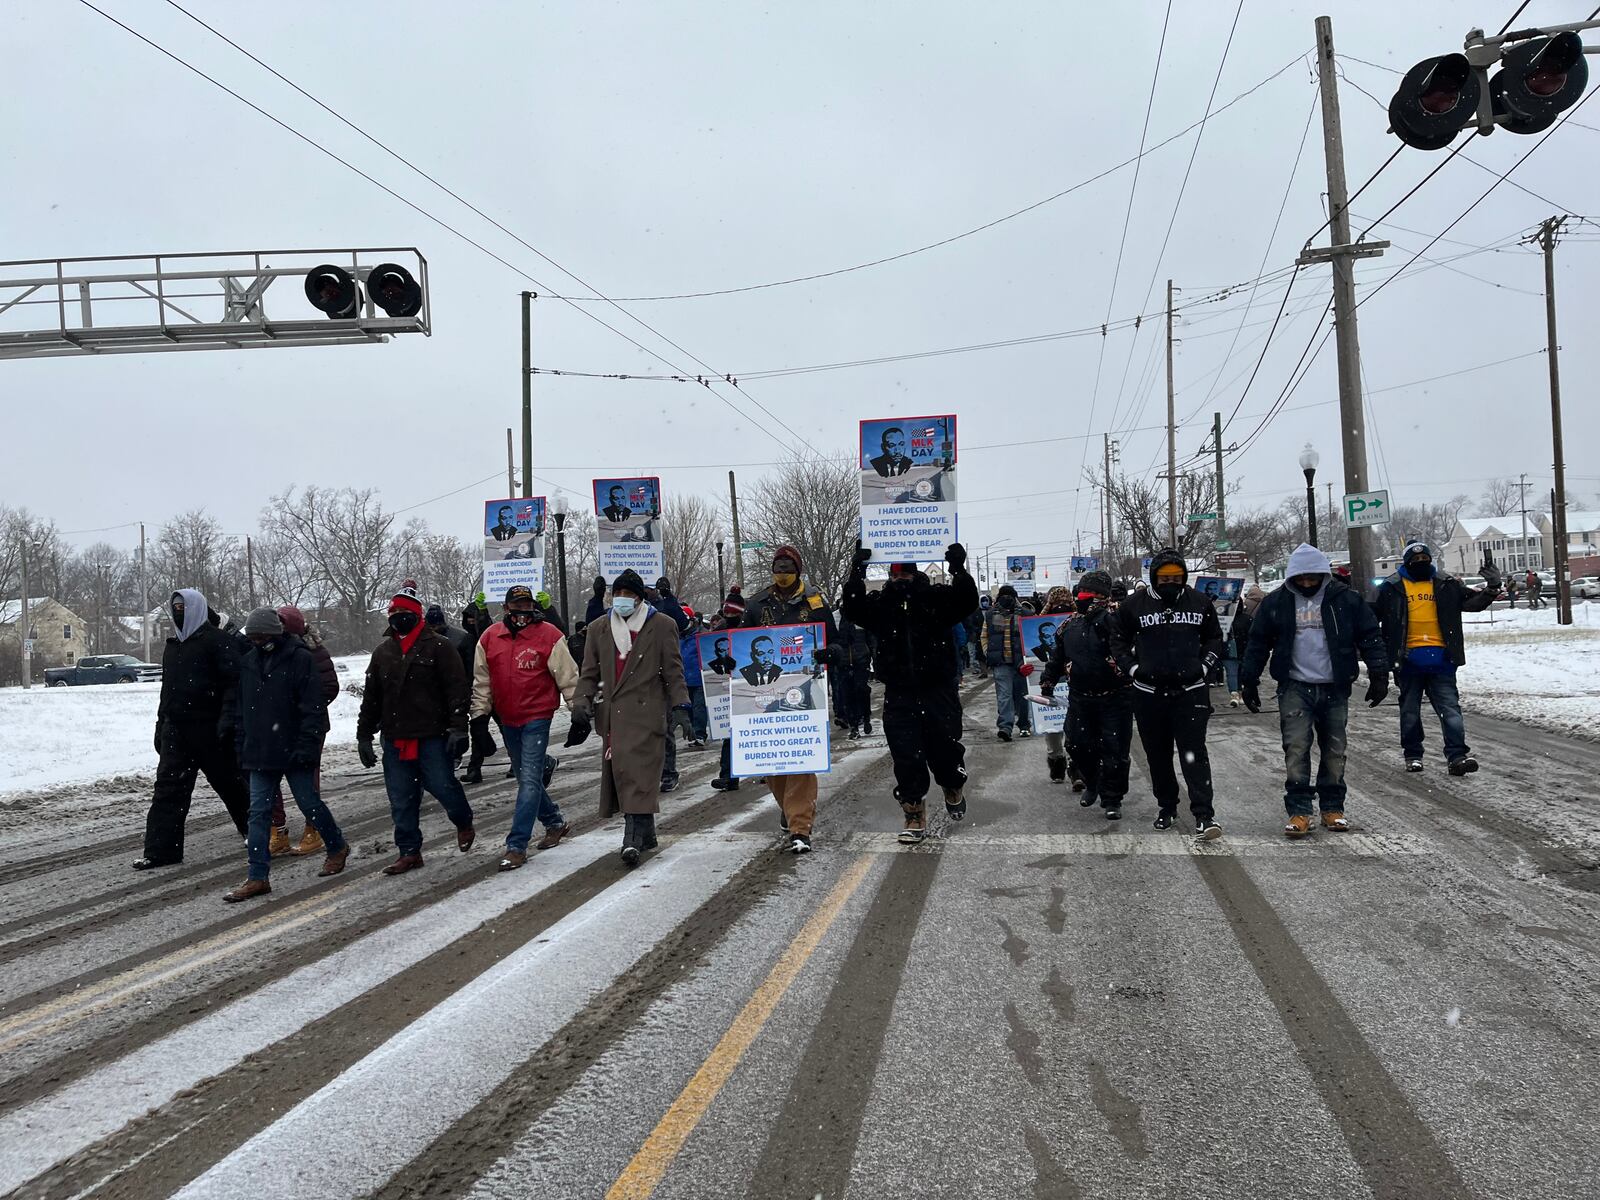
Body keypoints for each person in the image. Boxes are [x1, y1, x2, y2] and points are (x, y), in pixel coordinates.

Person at [1238, 544, 1389, 838]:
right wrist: (1249, 681)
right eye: (1301, 578)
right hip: (1295, 686)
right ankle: (1299, 810)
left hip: (1334, 685)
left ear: (1323, 575)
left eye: (1313, 578)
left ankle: (1333, 806)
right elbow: (1257, 643)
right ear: (1293, 577)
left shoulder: (1345, 600)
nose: (1307, 584)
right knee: (1296, 749)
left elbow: (1370, 635)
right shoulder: (1277, 603)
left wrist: (1379, 674)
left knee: (1335, 750)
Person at [842, 544, 977, 842]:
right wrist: (856, 572)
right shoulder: (882, 603)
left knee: (944, 747)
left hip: (937, 687)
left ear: (915, 573)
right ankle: (913, 811)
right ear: (890, 575)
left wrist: (958, 569)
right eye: (896, 573)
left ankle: (953, 785)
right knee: (906, 753)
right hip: (899, 690)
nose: (901, 578)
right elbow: (852, 608)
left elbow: (967, 602)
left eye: (906, 572)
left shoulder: (936, 598)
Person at [224, 608, 349, 901]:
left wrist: (306, 747)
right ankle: (257, 876)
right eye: (251, 637)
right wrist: (242, 742)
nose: (255, 642)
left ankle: (336, 846)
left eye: (259, 637)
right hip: (259, 751)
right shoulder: (249, 663)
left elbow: (312, 709)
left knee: (309, 803)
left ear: (273, 634)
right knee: (258, 814)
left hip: (294, 749)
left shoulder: (300, 658)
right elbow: (242, 710)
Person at [572, 570, 692, 866]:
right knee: (626, 774)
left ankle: (631, 838)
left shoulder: (661, 625)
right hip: (615, 715)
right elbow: (589, 673)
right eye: (618, 594)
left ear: (640, 597)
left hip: (649, 711)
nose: (622, 600)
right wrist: (580, 703)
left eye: (629, 594)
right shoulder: (599, 628)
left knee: (639, 772)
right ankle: (646, 833)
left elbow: (674, 670)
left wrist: (681, 705)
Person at [356, 583, 476, 873]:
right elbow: (371, 698)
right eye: (393, 612)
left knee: (443, 786)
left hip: (432, 735)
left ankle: (463, 820)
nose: (397, 616)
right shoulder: (383, 652)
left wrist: (459, 729)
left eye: (402, 612)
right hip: (395, 737)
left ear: (416, 615)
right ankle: (409, 851)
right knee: (401, 797)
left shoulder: (439, 647)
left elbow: (456, 690)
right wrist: (363, 735)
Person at [134, 588, 252, 871]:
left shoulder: (219, 642)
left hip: (211, 730)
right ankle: (162, 850)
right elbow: (168, 691)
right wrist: (161, 725)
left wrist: (228, 721)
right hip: (177, 731)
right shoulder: (173, 646)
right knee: (168, 790)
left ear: (197, 608)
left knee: (231, 784)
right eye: (174, 608)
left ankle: (258, 832)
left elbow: (233, 685)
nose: (179, 613)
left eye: (183, 607)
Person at [1112, 548, 1226, 840]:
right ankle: (1167, 806)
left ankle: (1204, 815)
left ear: (1185, 577)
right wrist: (1133, 669)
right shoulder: (1133, 605)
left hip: (1190, 692)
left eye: (1176, 577)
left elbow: (1215, 637)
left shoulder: (1200, 603)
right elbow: (1118, 641)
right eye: (1164, 578)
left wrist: (1204, 667)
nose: (1170, 583)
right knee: (1158, 755)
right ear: (1154, 578)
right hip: (1149, 693)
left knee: (1193, 753)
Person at [736, 545, 840, 852]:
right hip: (765, 693)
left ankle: (800, 827)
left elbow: (835, 642)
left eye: (788, 569)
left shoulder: (815, 601)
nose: (782, 575)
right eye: (777, 569)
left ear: (798, 570)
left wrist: (827, 653)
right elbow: (739, 643)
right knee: (773, 761)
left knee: (801, 759)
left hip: (805, 690)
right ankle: (789, 808)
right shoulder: (756, 605)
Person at [471, 585, 581, 870]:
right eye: (517, 607)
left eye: (527, 607)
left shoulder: (549, 636)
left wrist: (578, 711)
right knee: (525, 777)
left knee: (529, 780)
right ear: (506, 609)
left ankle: (516, 844)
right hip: (507, 718)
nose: (522, 613)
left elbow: (568, 677)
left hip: (537, 716)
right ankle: (555, 822)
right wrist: (479, 717)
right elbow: (482, 681)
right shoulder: (489, 638)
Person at [1373, 542, 1500, 775]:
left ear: (1431, 561)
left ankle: (1457, 756)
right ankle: (1413, 755)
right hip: (1407, 660)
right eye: (1415, 561)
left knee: (1450, 709)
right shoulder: (1391, 587)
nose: (1421, 564)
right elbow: (1372, 616)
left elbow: (1472, 604)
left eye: (1425, 560)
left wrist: (1492, 587)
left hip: (1443, 659)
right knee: (1410, 710)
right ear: (1406, 564)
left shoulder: (1446, 584)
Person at [1041, 571, 1132, 818]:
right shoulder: (1069, 625)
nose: (1087, 599)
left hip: (1115, 696)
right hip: (1080, 698)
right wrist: (1048, 679)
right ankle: (1093, 783)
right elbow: (1057, 657)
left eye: (1095, 595)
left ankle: (1113, 798)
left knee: (1115, 750)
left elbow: (1128, 651)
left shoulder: (1117, 621)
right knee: (1077, 744)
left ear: (1105, 597)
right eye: (1083, 594)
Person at [266, 604, 341, 857]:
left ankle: (314, 828)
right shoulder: (271, 651)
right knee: (271, 778)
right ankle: (278, 829)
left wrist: (304, 708)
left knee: (307, 781)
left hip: (309, 727)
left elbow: (330, 686)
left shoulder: (314, 651)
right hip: (276, 728)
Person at [1036, 586, 1078, 786]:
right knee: (1052, 727)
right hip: (1050, 681)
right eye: (1056, 604)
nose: (1061, 607)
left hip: (1074, 682)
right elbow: (1029, 658)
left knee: (1076, 727)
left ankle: (1076, 766)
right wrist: (1026, 668)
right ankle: (1056, 761)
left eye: (1065, 604)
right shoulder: (1035, 640)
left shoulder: (1079, 624)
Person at [980, 584, 1033, 741]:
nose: (1007, 599)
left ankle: (1024, 725)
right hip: (1001, 663)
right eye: (1004, 596)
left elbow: (1031, 638)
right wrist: (989, 653)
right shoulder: (990, 615)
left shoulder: (1025, 614)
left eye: (1009, 596)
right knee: (1004, 696)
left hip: (1021, 663)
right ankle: (1005, 727)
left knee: (1023, 695)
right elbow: (984, 636)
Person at [710, 588, 747, 791]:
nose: (730, 616)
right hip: (728, 688)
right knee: (730, 733)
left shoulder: (750, 626)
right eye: (728, 613)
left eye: (734, 613)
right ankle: (728, 776)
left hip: (750, 685)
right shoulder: (719, 632)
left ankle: (767, 771)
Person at [833, 610, 875, 738]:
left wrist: (873, 656)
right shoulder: (835, 617)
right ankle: (854, 726)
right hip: (843, 664)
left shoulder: (862, 615)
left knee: (862, 690)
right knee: (848, 695)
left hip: (861, 661)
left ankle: (866, 716)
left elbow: (871, 638)